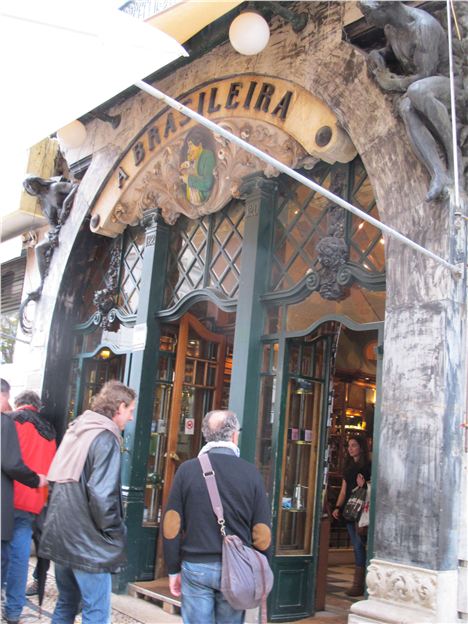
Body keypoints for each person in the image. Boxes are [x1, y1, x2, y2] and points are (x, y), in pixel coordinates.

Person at [39, 380, 136, 624]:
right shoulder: (105, 437)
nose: (131, 417)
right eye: (131, 411)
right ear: (120, 407)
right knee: (96, 613)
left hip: (62, 535)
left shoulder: (78, 430)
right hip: (87, 544)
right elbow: (102, 497)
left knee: (65, 604)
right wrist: (115, 534)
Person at [163, 409, 271, 624]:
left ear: (205, 435)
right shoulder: (251, 473)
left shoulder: (187, 470)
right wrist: (258, 567)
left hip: (195, 567)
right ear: (234, 435)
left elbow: (171, 525)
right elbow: (262, 533)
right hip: (237, 570)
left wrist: (173, 568)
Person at [358, 1, 456, 202]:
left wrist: (393, 83)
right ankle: (439, 172)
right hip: (418, 86)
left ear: (383, 8)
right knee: (406, 107)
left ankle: (454, 157)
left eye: (368, 13)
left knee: (417, 91)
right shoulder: (391, 28)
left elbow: (426, 73)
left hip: (449, 85)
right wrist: (380, 55)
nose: (367, 20)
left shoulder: (423, 27)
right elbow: (391, 51)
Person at [3, 391, 56, 624]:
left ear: (18, 403)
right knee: (20, 556)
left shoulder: (11, 421)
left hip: (8, 495)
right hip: (34, 500)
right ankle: (14, 609)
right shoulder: (50, 432)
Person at [332, 435, 371, 597]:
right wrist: (337, 506)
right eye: (349, 446)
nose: (350, 448)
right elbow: (343, 489)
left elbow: (375, 487)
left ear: (361, 447)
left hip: (363, 510)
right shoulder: (348, 468)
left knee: (361, 544)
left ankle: (361, 584)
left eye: (354, 445)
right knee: (356, 545)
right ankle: (358, 583)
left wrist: (365, 485)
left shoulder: (368, 466)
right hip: (350, 510)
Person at [180, 131, 216, 205]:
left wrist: (188, 179)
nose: (188, 151)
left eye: (190, 146)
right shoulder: (194, 161)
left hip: (207, 200)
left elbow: (207, 184)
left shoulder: (207, 155)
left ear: (199, 145)